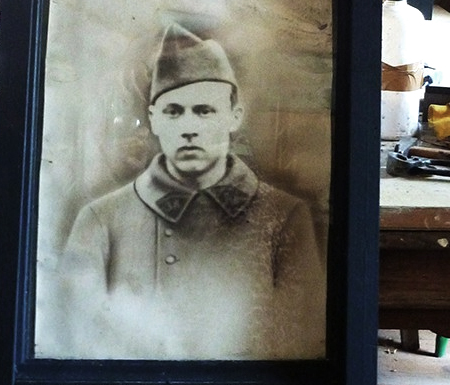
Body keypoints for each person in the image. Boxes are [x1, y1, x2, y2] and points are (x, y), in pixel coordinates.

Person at [57, 22, 326, 360]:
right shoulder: (101, 221)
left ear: (234, 116)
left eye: (204, 111)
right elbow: (73, 343)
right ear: (154, 119)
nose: (188, 129)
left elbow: (301, 343)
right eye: (174, 112)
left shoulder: (284, 217)